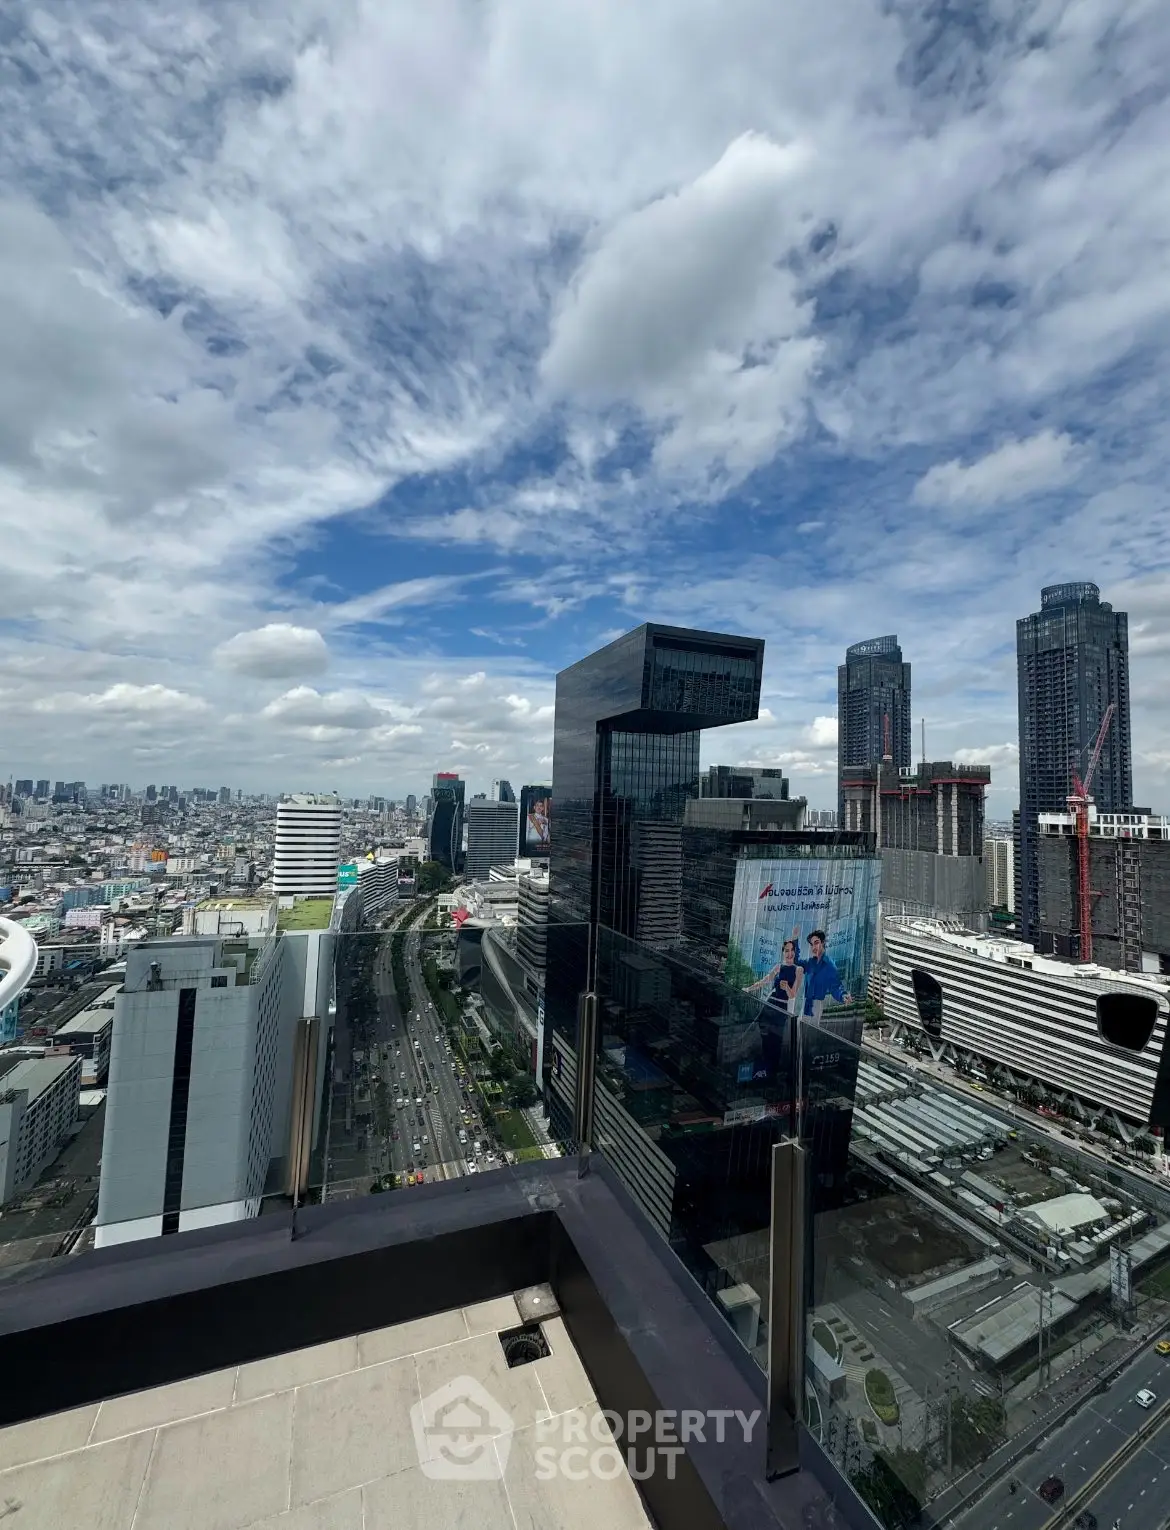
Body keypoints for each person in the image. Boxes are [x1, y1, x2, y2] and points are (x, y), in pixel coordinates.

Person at [746, 926, 805, 1017]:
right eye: (786, 951)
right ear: (783, 953)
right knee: (761, 1028)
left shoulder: (798, 970)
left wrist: (787, 988)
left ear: (795, 951)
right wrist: (748, 989)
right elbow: (764, 981)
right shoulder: (778, 967)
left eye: (792, 950)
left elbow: (792, 995)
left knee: (775, 1030)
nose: (790, 953)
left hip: (782, 1008)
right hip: (770, 1003)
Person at [801, 929, 852, 1019]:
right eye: (812, 944)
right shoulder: (810, 963)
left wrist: (843, 996)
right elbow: (795, 962)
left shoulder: (829, 964)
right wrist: (794, 939)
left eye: (816, 943)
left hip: (816, 1006)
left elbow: (835, 986)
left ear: (823, 942)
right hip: (805, 1003)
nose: (814, 947)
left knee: (809, 1032)